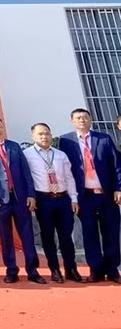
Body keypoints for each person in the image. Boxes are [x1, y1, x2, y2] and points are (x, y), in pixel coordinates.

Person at [0, 116, 45, 284]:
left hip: (20, 198)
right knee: (5, 237)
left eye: (0, 127)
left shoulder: (13, 146)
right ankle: (11, 270)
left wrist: (31, 194)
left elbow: (25, 171)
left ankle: (33, 270)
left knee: (27, 235)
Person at [59, 108, 121, 283]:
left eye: (85, 117)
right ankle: (96, 269)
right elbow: (65, 170)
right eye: (78, 118)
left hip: (107, 195)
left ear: (90, 120)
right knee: (89, 233)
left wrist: (119, 188)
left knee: (111, 232)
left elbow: (116, 166)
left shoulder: (104, 139)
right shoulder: (65, 141)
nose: (82, 120)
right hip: (84, 196)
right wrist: (71, 197)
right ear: (72, 121)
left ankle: (113, 269)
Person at [23, 123, 80, 283]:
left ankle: (71, 269)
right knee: (47, 236)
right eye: (40, 134)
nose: (44, 137)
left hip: (63, 199)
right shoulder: (27, 155)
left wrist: (73, 198)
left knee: (66, 236)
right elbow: (26, 179)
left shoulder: (60, 154)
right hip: (43, 199)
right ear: (33, 136)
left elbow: (69, 178)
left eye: (47, 134)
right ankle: (54, 269)